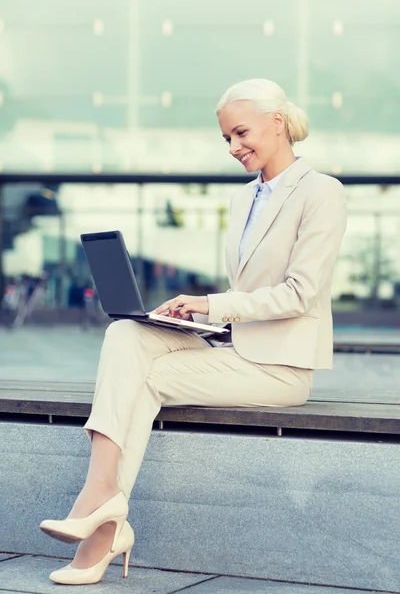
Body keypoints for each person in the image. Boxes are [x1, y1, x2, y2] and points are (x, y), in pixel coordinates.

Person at [40, 78, 347, 585]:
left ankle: (101, 518)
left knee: (147, 378)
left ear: (277, 122)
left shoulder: (321, 192)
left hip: (280, 368)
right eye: (226, 138)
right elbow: (250, 287)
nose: (233, 147)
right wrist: (196, 316)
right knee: (126, 334)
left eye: (241, 133)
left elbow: (301, 292)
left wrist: (212, 305)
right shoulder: (242, 200)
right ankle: (103, 504)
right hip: (236, 347)